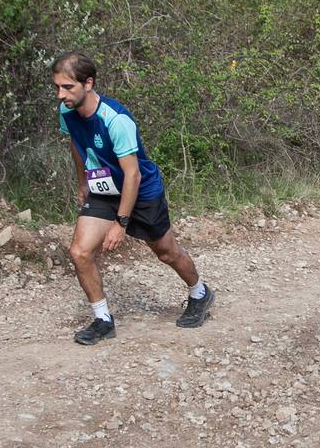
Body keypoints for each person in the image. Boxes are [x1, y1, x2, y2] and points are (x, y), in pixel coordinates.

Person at [52, 52, 214, 345]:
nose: (61, 94)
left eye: (68, 87)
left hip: (139, 191)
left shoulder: (116, 120)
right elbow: (76, 144)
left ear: (88, 84)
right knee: (79, 252)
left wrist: (120, 223)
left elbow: (133, 175)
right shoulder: (67, 111)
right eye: (58, 87)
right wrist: (82, 181)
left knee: (167, 252)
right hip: (103, 190)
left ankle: (200, 293)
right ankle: (103, 319)